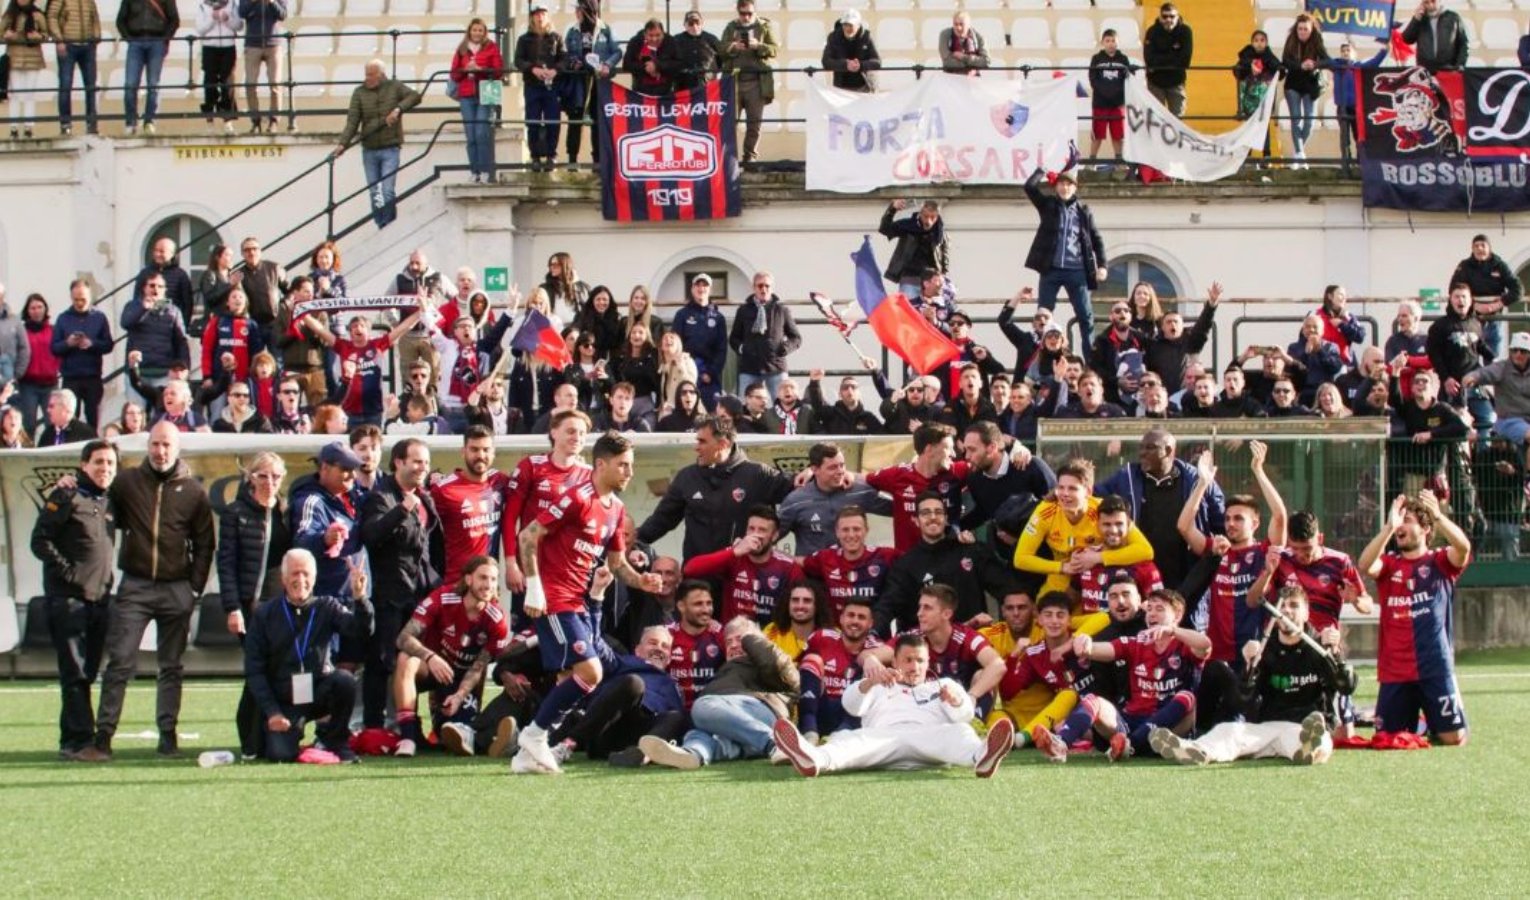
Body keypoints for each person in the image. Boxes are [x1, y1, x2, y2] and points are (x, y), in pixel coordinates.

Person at [513, 432, 664, 774]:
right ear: (601, 464)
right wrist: (534, 587)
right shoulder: (576, 498)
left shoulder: (616, 509)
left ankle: (525, 756)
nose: (629, 472)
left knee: (576, 675)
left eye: (631, 466)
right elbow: (527, 536)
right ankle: (534, 736)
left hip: (577, 600)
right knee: (590, 671)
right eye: (623, 465)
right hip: (554, 598)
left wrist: (642, 581)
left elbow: (615, 563)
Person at [74, 424, 214, 763]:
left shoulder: (194, 492)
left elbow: (205, 542)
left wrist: (193, 586)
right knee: (119, 662)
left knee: (171, 667)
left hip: (176, 588)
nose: (160, 451)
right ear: (146, 446)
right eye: (154, 444)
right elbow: (97, 498)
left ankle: (168, 737)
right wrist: (71, 483)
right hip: (135, 586)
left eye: (166, 444)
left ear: (177, 447)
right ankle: (103, 738)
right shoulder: (126, 482)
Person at [1152, 585, 1350, 766]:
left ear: (1306, 613)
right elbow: (1245, 700)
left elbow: (1346, 686)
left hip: (1307, 726)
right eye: (1282, 607)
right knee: (1228, 731)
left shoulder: (1321, 646)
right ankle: (1196, 749)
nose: (1287, 611)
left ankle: (1308, 748)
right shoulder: (1264, 648)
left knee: (1317, 741)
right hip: (1268, 726)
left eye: (1294, 606)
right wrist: (1249, 668)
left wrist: (1335, 654)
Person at [775, 631, 1013, 778]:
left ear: (928, 661)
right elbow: (851, 706)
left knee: (961, 731)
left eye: (920, 660)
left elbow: (965, 714)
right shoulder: (880, 682)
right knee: (846, 738)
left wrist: (955, 700)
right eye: (908, 660)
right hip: (882, 739)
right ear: (896, 660)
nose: (915, 666)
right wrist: (869, 682)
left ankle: (982, 758)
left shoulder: (942, 684)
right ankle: (813, 759)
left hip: (928, 741)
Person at [1358, 491, 1471, 745]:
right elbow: (1365, 565)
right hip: (1395, 669)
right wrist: (1388, 527)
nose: (1401, 524)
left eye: (1407, 519)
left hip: (1434, 665)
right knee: (1385, 738)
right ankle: (1421, 721)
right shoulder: (1388, 564)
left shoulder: (1439, 562)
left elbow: (1463, 548)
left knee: (1454, 738)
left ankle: (1428, 720)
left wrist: (1439, 516)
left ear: (1425, 528)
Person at [1047, 588, 1210, 762]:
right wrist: (1085, 645)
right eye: (1150, 609)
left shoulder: (1184, 644)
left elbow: (1205, 645)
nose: (1152, 614)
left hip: (1171, 726)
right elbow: (1101, 649)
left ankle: (1130, 747)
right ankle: (1060, 744)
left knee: (1187, 697)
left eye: (1159, 609)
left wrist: (1173, 631)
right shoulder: (1136, 642)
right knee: (1093, 700)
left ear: (1177, 615)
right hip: (1131, 721)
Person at [31, 440, 117, 759]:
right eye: (98, 462)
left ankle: (70, 740)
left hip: (98, 600)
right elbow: (39, 540)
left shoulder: (109, 501)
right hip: (68, 601)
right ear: (83, 465)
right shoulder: (66, 495)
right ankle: (81, 742)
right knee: (75, 673)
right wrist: (67, 572)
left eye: (110, 463)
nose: (105, 468)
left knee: (87, 672)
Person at [243, 550, 369, 763]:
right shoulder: (265, 614)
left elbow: (361, 630)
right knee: (280, 755)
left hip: (317, 692)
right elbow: (254, 670)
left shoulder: (327, 606)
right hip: (283, 701)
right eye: (294, 574)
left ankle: (335, 740)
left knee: (344, 680)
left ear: (314, 577)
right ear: (283, 578)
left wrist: (360, 599)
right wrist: (273, 712)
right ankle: (288, 732)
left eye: (305, 574)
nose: (300, 580)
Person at [358, 437, 443, 730]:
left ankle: (411, 727)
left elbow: (432, 547)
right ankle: (373, 727)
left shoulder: (425, 496)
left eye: (426, 463)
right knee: (382, 662)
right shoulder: (380, 496)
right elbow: (370, 536)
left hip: (419, 594)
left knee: (415, 661)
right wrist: (401, 510)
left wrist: (437, 583)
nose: (423, 468)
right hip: (388, 595)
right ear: (398, 462)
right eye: (417, 461)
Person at [1179, 443, 1286, 670]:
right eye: (1227, 519)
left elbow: (1279, 517)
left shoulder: (1263, 552)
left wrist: (1258, 470)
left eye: (1239, 518)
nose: (1230, 523)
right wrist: (1202, 484)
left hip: (1255, 649)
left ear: (1255, 523)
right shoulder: (1217, 551)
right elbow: (1185, 527)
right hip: (1218, 652)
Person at [639, 616, 798, 769]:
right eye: (729, 642)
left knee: (702, 707)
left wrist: (750, 640)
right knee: (700, 733)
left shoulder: (763, 662)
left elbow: (787, 675)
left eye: (740, 639)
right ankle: (692, 754)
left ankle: (774, 742)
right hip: (737, 727)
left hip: (763, 711)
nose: (734, 645)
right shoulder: (723, 671)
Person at [393, 555, 511, 756]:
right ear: (468, 579)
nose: (488, 585)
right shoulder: (443, 598)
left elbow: (479, 668)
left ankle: (486, 735)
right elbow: (403, 638)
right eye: (483, 578)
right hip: (434, 670)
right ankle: (408, 738)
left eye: (493, 580)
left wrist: (459, 696)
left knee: (453, 734)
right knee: (406, 659)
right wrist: (431, 657)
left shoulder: (496, 620)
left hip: (462, 681)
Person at [638, 416, 794, 562]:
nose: (696, 448)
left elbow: (798, 494)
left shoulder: (758, 474)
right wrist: (634, 541)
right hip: (699, 576)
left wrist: (809, 472)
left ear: (723, 444)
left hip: (741, 578)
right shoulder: (687, 477)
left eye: (702, 441)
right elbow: (661, 520)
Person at [876, 494, 1022, 636]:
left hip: (974, 643)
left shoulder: (970, 550)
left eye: (938, 512)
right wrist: (873, 634)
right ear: (915, 520)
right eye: (926, 513)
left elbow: (1007, 588)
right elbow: (887, 608)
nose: (933, 517)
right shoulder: (905, 565)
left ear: (946, 519)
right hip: (928, 649)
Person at [1014, 458, 1155, 599]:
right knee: (1044, 618)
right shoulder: (1045, 513)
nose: (1065, 494)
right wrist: (1062, 567)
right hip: (1058, 590)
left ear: (1088, 491)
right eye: (1061, 487)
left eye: (1072, 488)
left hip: (1097, 590)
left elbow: (1145, 550)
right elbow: (1021, 559)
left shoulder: (1103, 511)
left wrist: (1097, 558)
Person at [559, 624, 686, 764]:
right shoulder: (622, 662)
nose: (658, 648)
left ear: (669, 658)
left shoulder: (673, 686)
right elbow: (595, 643)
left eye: (665, 646)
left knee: (677, 716)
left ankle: (642, 754)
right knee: (634, 683)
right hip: (607, 728)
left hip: (638, 735)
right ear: (637, 650)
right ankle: (569, 744)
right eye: (652, 643)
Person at [1024, 167, 1107, 366]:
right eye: (1061, 183)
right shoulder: (1048, 205)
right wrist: (1041, 170)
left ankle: (1091, 364)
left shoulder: (1083, 211)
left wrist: (1102, 265)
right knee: (1043, 317)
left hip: (1076, 271)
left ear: (1075, 187)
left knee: (1086, 317)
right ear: (1056, 186)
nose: (1064, 187)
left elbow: (1096, 239)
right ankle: (1041, 362)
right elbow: (1029, 187)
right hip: (1051, 269)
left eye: (1069, 184)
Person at [334, 59, 423, 228]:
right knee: (375, 192)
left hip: (391, 147)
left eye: (371, 75)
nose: (367, 78)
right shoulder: (359, 92)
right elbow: (352, 121)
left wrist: (398, 109)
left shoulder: (394, 86)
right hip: (369, 148)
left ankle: (389, 224)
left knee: (387, 190)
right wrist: (342, 144)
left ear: (381, 75)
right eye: (366, 74)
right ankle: (381, 224)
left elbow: (415, 96)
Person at [683, 504, 801, 626]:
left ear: (775, 536)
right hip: (733, 639)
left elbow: (799, 606)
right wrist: (734, 552)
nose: (755, 534)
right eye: (751, 528)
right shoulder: (734, 556)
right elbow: (690, 569)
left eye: (762, 530)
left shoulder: (788, 567)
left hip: (771, 638)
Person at [777, 442, 887, 557]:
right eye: (832, 467)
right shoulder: (795, 501)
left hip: (851, 570)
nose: (840, 471)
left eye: (842, 465)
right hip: (813, 571)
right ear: (815, 469)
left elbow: (899, 505)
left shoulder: (860, 490)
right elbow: (770, 536)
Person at [559, 0, 622, 168]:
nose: (577, 13)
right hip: (578, 82)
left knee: (598, 120)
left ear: (588, 11)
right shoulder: (572, 31)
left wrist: (607, 65)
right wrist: (574, 62)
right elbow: (566, 53)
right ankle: (572, 160)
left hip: (598, 81)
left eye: (580, 10)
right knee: (575, 119)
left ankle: (598, 162)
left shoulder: (605, 29)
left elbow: (616, 51)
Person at [718, 0, 776, 165]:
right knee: (729, 123)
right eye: (743, 13)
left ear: (754, 11)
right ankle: (728, 158)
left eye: (749, 13)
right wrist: (733, 47)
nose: (746, 17)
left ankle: (750, 157)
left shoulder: (764, 26)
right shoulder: (731, 28)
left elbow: (775, 49)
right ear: (738, 12)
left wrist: (759, 46)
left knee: (754, 123)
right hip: (734, 82)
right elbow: (721, 50)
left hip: (757, 82)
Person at [1450, 234, 1522, 362]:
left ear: (1489, 248)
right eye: (1476, 246)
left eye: (1483, 245)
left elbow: (1517, 290)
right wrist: (1474, 305)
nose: (1479, 249)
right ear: (1472, 249)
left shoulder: (1500, 265)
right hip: (1471, 318)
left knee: (1492, 357)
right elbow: (1453, 289)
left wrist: (1497, 305)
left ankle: (1490, 381)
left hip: (1494, 319)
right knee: (1470, 356)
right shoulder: (1465, 266)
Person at [451, 17, 505, 184]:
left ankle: (485, 170)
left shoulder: (492, 47)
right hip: (467, 94)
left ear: (484, 32)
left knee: (482, 132)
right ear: (469, 31)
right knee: (471, 135)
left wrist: (481, 70)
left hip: (486, 92)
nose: (477, 33)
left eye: (480, 30)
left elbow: (498, 71)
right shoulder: (461, 49)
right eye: (474, 30)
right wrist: (465, 70)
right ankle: (474, 171)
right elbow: (454, 74)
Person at [729, 271, 800, 398]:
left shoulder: (782, 310)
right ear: (754, 288)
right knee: (746, 405)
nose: (764, 289)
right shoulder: (743, 310)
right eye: (760, 285)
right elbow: (734, 337)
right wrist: (742, 349)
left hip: (775, 366)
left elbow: (796, 337)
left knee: (782, 403)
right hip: (749, 367)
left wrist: (785, 348)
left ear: (772, 288)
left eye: (767, 286)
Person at [51, 280, 111, 428]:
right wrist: (68, 343)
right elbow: (54, 348)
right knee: (69, 420)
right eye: (76, 299)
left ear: (90, 296)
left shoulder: (99, 317)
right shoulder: (63, 318)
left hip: (93, 376)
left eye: (83, 299)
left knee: (93, 419)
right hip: (71, 377)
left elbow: (109, 344)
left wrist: (92, 344)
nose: (79, 303)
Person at [515, 2, 564, 173]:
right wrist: (532, 69)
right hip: (532, 86)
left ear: (547, 16)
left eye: (543, 13)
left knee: (553, 121)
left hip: (552, 87)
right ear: (532, 17)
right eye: (536, 14)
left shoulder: (556, 37)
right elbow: (518, 60)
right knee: (532, 121)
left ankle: (551, 156)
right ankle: (534, 157)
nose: (540, 16)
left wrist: (554, 70)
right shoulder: (524, 39)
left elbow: (563, 58)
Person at [116, 0, 177, 135]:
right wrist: (129, 38)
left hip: (156, 41)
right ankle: (131, 122)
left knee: (153, 85)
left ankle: (149, 121)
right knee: (130, 84)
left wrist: (164, 39)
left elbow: (174, 19)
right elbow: (120, 20)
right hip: (136, 41)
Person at [1329, 40, 1388, 173]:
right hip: (1342, 107)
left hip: (1356, 107)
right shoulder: (1337, 66)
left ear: (1354, 53)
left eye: (1348, 50)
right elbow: (1326, 60)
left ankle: (1360, 160)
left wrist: (1384, 50)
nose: (1345, 53)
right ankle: (1346, 161)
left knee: (1358, 135)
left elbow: (1373, 63)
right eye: (1343, 51)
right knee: (1344, 136)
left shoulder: (1358, 67)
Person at [1465, 331, 1530, 450]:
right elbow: (1485, 373)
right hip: (1509, 421)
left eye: (1523, 351)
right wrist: (1472, 377)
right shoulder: (1502, 367)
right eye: (1514, 350)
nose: (1518, 354)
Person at [672, 273, 728, 409]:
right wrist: (687, 370)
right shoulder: (682, 314)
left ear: (710, 290)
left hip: (710, 377)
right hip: (687, 374)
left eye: (705, 285)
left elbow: (722, 349)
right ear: (692, 289)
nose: (701, 288)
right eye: (698, 285)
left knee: (713, 414)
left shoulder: (719, 318)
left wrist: (710, 373)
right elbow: (676, 346)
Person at [1281, 14, 1328, 167]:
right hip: (1293, 84)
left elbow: (1326, 59)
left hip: (1311, 85)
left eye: (1305, 29)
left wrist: (1314, 64)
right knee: (1296, 118)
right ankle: (1300, 153)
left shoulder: (1317, 40)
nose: (1302, 32)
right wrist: (1300, 65)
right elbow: (1285, 61)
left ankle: (1298, 154)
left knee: (1309, 120)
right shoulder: (1291, 40)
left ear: (1311, 29)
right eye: (1300, 29)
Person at [48, 0, 101, 136]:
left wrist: (96, 36)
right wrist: (59, 39)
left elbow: (94, 17)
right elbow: (52, 17)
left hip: (88, 46)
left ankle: (91, 123)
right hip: (68, 45)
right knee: (65, 85)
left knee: (91, 86)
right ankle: (65, 124)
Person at [878, 200, 947, 300]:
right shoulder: (908, 225)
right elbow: (885, 229)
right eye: (925, 216)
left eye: (932, 217)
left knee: (935, 312)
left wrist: (944, 275)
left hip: (932, 282)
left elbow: (944, 255)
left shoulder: (939, 231)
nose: (928, 221)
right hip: (910, 278)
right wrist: (892, 209)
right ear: (920, 214)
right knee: (909, 311)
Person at [1, 0, 46, 138]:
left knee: (29, 94)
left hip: (33, 59)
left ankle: (28, 127)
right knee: (15, 94)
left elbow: (45, 33)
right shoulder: (9, 15)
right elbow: (1, 32)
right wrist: (6, 36)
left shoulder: (37, 15)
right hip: (14, 59)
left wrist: (38, 37)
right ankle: (13, 127)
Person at [1088, 28, 1133, 165]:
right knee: (1097, 135)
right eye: (1107, 41)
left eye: (1113, 40)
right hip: (1100, 103)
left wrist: (1117, 93)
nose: (1111, 43)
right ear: (1102, 42)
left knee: (1118, 135)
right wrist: (1105, 92)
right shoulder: (1096, 59)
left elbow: (1128, 78)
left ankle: (1119, 162)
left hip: (1118, 104)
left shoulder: (1124, 59)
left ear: (1118, 42)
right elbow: (1092, 79)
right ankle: (1091, 162)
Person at [238, 0, 284, 132]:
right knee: (250, 84)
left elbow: (282, 14)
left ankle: (274, 121)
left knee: (275, 83)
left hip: (273, 44)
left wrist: (272, 2)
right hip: (253, 44)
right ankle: (255, 121)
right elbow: (242, 12)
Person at [194, 0, 239, 133]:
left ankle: (228, 120)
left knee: (228, 83)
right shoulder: (203, 6)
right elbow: (200, 29)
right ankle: (209, 120)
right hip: (209, 47)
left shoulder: (232, 4)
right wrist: (212, 19)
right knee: (209, 82)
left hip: (228, 47)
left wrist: (228, 19)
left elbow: (239, 26)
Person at [13, 293, 56, 432]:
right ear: (27, 311)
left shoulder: (53, 330)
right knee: (28, 424)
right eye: (33, 308)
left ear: (45, 309)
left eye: (40, 307)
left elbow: (59, 351)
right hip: (28, 384)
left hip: (50, 384)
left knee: (52, 423)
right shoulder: (21, 331)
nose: (37, 311)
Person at [1143, 2, 1193, 116]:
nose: (1168, 19)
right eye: (1165, 16)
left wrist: (1159, 62)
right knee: (1157, 119)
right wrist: (1174, 58)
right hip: (1155, 83)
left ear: (1177, 16)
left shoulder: (1185, 31)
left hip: (1176, 83)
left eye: (1172, 16)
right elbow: (1149, 59)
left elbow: (1185, 60)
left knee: (1177, 119)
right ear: (1160, 17)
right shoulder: (1152, 31)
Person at [236, 237, 288, 340]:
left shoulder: (274, 268)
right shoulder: (239, 275)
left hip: (274, 323)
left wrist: (284, 312)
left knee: (277, 356)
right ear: (242, 254)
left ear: (260, 251)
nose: (251, 252)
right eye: (247, 250)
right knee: (255, 356)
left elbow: (288, 291)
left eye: (254, 249)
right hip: (252, 325)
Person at [662, 8, 720, 93]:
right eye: (691, 23)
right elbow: (667, 60)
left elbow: (721, 60)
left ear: (702, 23)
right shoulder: (676, 41)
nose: (694, 26)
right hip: (683, 87)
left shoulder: (712, 40)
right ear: (685, 25)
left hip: (707, 86)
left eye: (697, 23)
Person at [821, 8, 879, 93]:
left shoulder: (867, 38)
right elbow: (826, 62)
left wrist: (861, 65)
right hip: (841, 89)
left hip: (864, 88)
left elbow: (877, 62)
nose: (847, 28)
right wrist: (845, 64)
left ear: (858, 25)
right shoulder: (833, 37)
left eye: (851, 25)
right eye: (845, 25)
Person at [1401, 0, 1468, 72]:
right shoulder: (1420, 19)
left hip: (1448, 69)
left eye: (1433, 1)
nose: (1430, 5)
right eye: (1426, 2)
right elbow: (1407, 39)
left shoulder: (1452, 17)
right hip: (1425, 71)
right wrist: (1416, 19)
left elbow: (1463, 43)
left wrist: (1459, 65)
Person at [623, 18, 672, 94]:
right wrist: (646, 68)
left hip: (665, 92)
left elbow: (678, 63)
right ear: (645, 34)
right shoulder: (635, 42)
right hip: (641, 92)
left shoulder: (670, 41)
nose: (654, 39)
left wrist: (658, 66)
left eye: (658, 35)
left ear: (663, 33)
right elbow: (626, 65)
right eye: (651, 35)